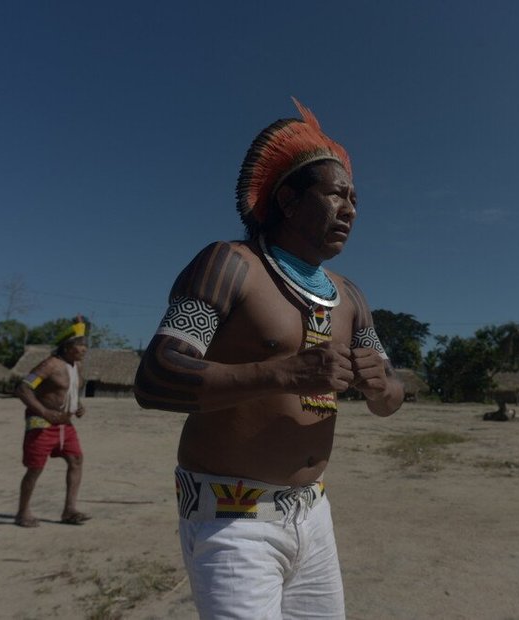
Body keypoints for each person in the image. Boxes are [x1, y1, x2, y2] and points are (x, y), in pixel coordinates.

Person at [135, 98, 404, 619]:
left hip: (313, 515)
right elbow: (155, 375)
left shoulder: (349, 296)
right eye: (335, 195)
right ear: (287, 199)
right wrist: (280, 372)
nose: (350, 209)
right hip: (230, 522)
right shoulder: (230, 266)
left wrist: (380, 384)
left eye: (355, 199)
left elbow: (391, 398)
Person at [14, 316, 91, 528]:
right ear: (67, 346)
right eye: (80, 345)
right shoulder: (50, 365)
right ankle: (23, 513)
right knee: (35, 468)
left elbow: (68, 392)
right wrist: (44, 412)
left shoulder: (76, 368)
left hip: (65, 425)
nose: (84, 349)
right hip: (42, 424)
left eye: (86, 345)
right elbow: (23, 388)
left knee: (76, 460)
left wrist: (78, 405)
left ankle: (69, 510)